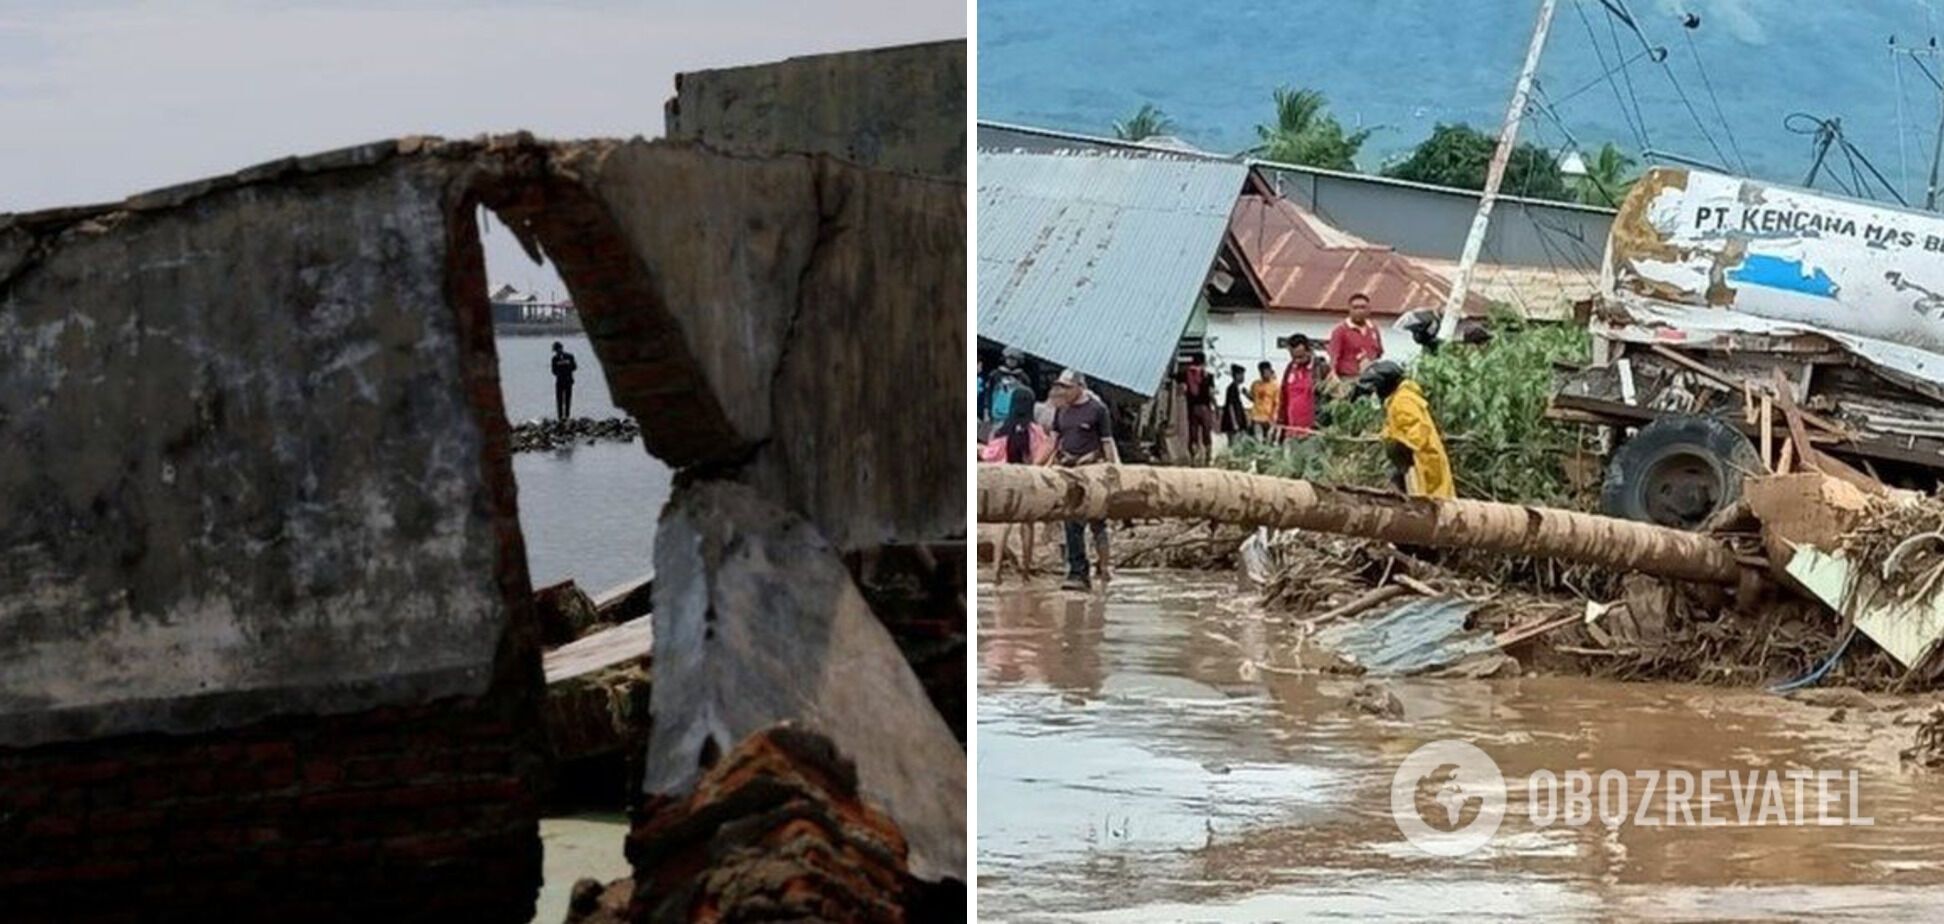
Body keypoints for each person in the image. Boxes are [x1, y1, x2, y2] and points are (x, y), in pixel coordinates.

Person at [1047, 369, 1118, 591]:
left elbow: (1106, 442)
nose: (1062, 391)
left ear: (1080, 387)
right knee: (1072, 523)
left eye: (1067, 387)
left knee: (1097, 524)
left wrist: (1114, 472)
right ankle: (1078, 573)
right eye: (1061, 387)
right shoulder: (1062, 411)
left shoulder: (1098, 410)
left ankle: (1105, 567)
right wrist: (1042, 469)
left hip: (1092, 473)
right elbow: (1053, 443)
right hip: (1069, 474)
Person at [1357, 360, 1455, 499]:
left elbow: (1416, 436)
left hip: (1424, 465)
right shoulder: (1399, 398)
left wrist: (1397, 454)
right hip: (1424, 462)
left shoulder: (1402, 402)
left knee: (1431, 505)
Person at [1328, 292, 1385, 380]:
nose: (1359, 311)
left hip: (1371, 378)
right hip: (1348, 379)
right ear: (1349, 310)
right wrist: (1333, 375)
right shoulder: (1340, 331)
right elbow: (1333, 356)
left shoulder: (1373, 329)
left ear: (1369, 309)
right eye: (1355, 308)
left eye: (1363, 307)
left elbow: (1379, 353)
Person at [1278, 334, 1325, 437]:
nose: (1297, 360)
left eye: (1300, 357)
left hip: (1314, 432)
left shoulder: (1321, 368)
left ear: (1309, 351)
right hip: (1292, 430)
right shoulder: (1290, 368)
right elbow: (1283, 396)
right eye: (1293, 357)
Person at [1174, 352, 1217, 464]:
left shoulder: (1185, 374)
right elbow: (1211, 393)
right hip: (1205, 408)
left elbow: (1179, 385)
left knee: (1193, 433)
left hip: (1192, 408)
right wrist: (1216, 406)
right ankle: (1208, 457)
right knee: (1206, 433)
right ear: (1204, 362)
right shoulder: (1208, 375)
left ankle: (1193, 458)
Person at [1249, 360, 1280, 440]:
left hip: (1269, 418)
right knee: (1259, 441)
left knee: (1269, 440)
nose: (1264, 374)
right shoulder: (1255, 384)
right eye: (1262, 371)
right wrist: (1246, 394)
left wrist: (1275, 417)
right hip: (1257, 417)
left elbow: (1277, 403)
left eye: (1266, 371)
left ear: (1270, 370)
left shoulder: (1275, 386)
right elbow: (1253, 398)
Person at [1219, 363, 1249, 444]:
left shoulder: (1237, 388)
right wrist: (1234, 422)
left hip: (1237, 420)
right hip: (1232, 422)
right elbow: (1230, 406)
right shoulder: (1231, 388)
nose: (1243, 377)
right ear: (1236, 375)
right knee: (1233, 443)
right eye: (1241, 375)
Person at [550, 341, 578, 422]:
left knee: (563, 400)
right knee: (563, 399)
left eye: (556, 350)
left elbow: (554, 371)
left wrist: (562, 370)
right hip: (565, 381)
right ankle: (564, 416)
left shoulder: (557, 358)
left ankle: (563, 416)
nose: (556, 352)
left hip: (563, 381)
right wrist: (566, 369)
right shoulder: (567, 357)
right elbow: (574, 367)